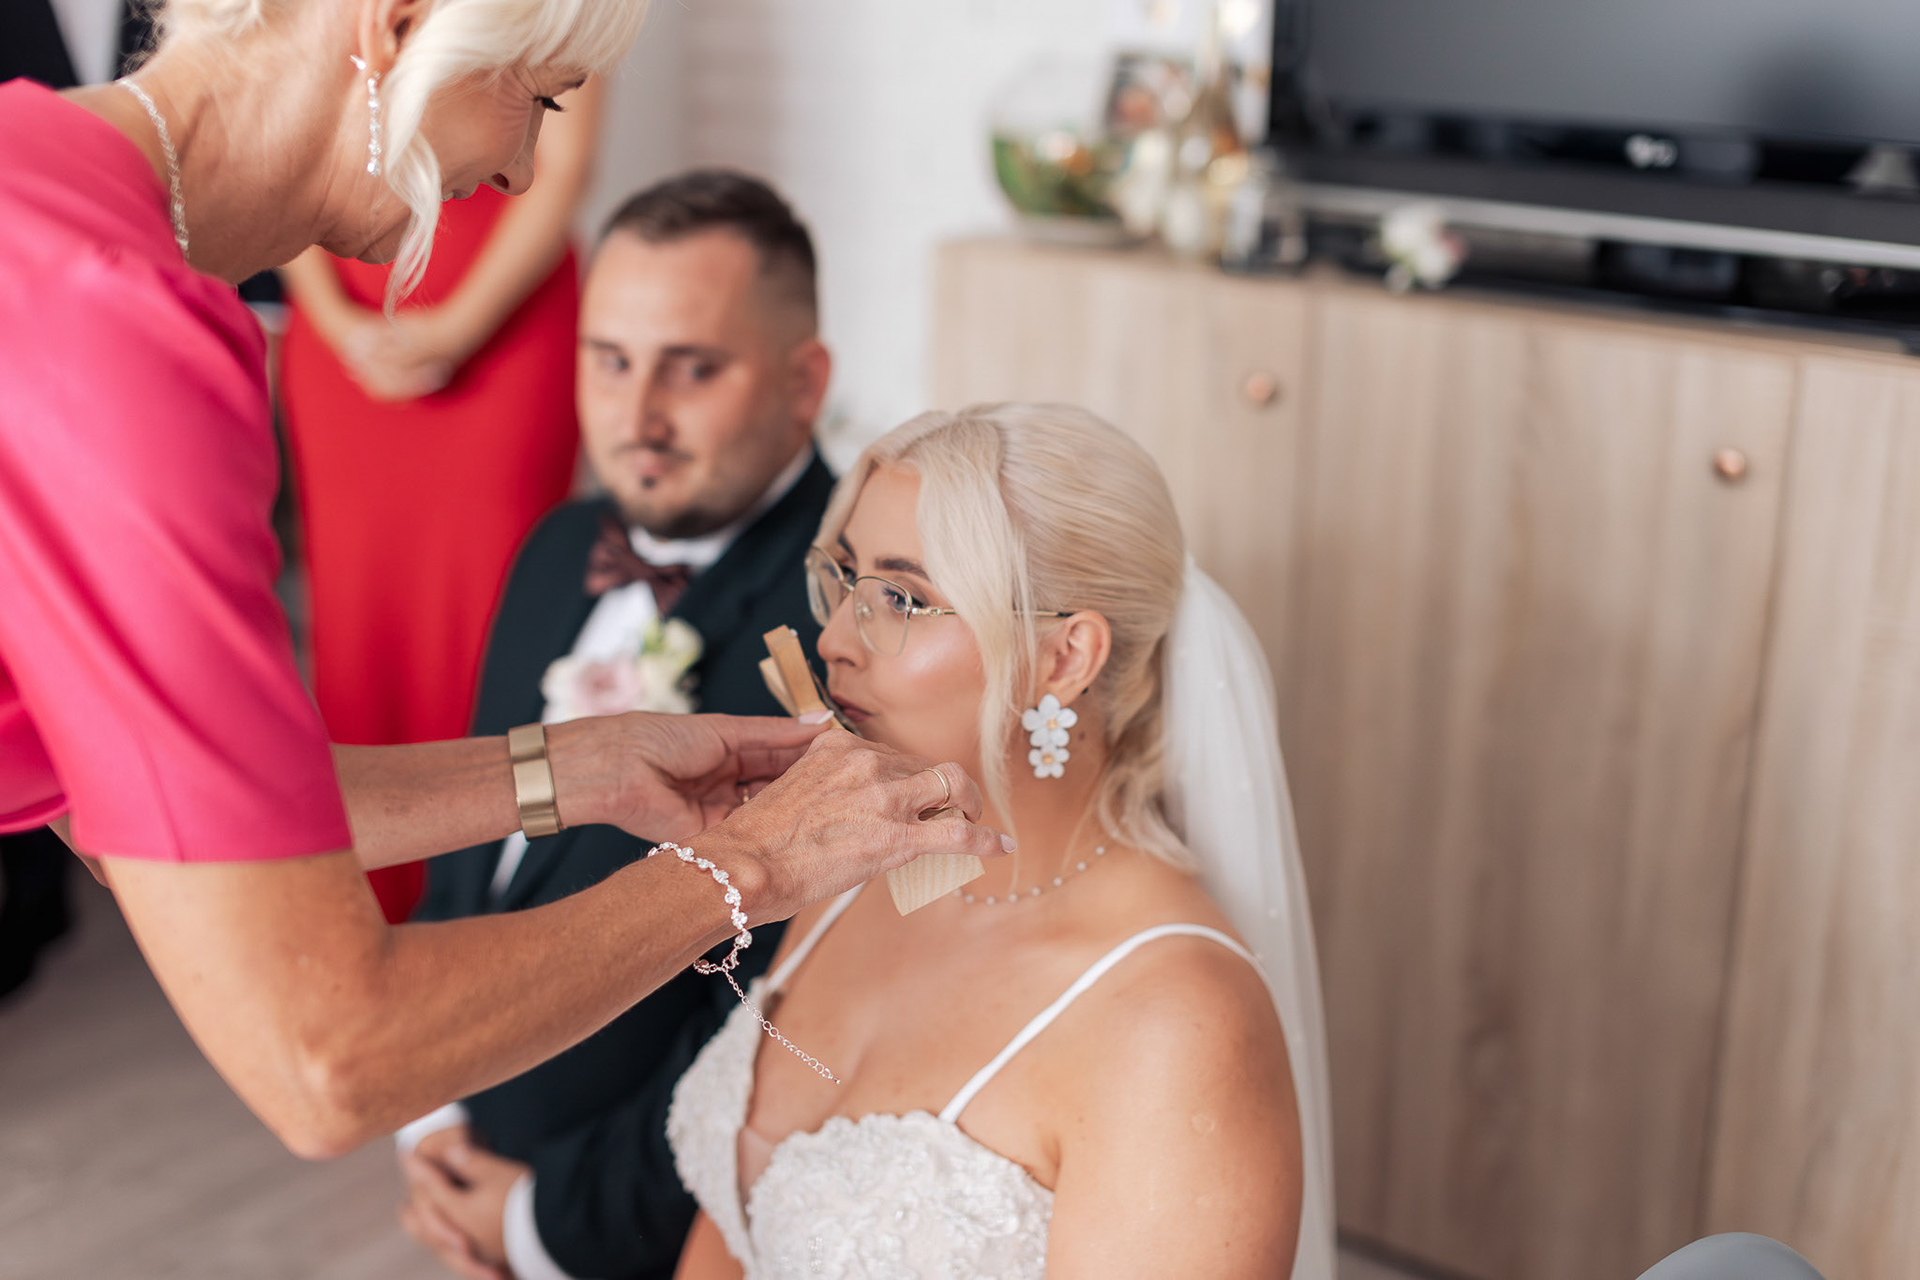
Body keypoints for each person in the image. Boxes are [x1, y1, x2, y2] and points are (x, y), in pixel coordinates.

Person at [0, 0, 1006, 1171]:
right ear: (396, 23)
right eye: (536, 94)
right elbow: (328, 1054)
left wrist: (573, 768)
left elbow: (151, 805)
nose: (525, 168)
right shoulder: (115, 328)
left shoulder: (36, 171)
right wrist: (759, 864)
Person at [665, 404, 1337, 1279]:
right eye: (845, 577)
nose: (831, 641)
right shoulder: (854, 870)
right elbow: (734, 1227)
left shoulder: (1176, 1025)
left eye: (902, 599)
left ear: (1064, 659)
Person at [393, 171, 838, 1280]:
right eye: (610, 359)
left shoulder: (840, 637)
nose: (637, 419)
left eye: (693, 367)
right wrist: (430, 1112)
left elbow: (771, 1026)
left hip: (645, 1236)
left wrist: (543, 1224)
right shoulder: (558, 546)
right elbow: (464, 867)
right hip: (468, 1166)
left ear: (805, 382)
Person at [277, 70, 606, 924]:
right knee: (357, 621)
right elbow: (281, 134)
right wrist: (337, 322)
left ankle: (486, 900)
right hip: (341, 328)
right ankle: (368, 908)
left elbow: (563, 160)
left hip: (507, 329)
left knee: (493, 613)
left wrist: (458, 329)